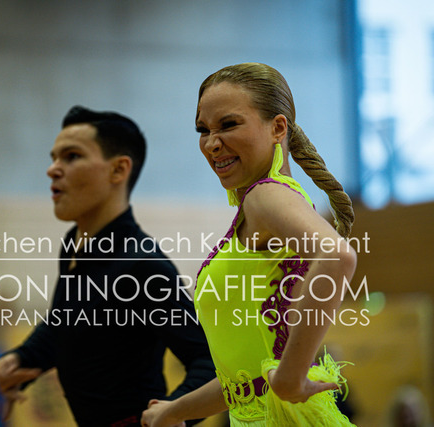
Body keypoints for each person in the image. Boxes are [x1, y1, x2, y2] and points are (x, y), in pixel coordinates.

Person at [141, 63, 358, 426]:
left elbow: (338, 256)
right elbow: (246, 382)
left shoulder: (265, 196)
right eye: (203, 130)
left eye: (228, 125)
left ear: (278, 128)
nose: (212, 143)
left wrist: (291, 377)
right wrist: (172, 411)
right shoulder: (260, 208)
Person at [0, 106, 215, 426]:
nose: (52, 170)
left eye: (71, 156)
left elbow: (208, 363)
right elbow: (67, 320)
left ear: (118, 170)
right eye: (54, 158)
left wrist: (173, 413)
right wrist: (22, 357)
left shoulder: (144, 266)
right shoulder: (74, 244)